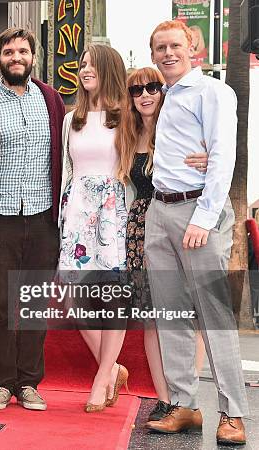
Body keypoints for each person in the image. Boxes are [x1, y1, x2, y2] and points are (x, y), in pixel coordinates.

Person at [143, 20, 248, 445]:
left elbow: (223, 155)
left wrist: (203, 219)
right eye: (160, 47)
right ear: (152, 55)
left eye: (175, 46)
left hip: (197, 211)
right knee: (172, 314)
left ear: (193, 48)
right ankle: (185, 405)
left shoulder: (213, 91)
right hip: (160, 209)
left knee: (215, 317)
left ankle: (234, 414)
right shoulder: (166, 95)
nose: (168, 53)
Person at [117, 67, 208, 421]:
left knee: (188, 314)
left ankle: (188, 397)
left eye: (152, 86)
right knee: (153, 318)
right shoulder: (127, 135)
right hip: (140, 229)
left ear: (163, 90)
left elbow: (212, 161)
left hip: (180, 225)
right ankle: (165, 395)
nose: (145, 94)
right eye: (137, 89)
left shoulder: (181, 130)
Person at [0, 28, 65, 412]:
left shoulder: (51, 99)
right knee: (2, 301)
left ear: (33, 56)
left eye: (22, 51)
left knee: (33, 301)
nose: (15, 57)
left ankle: (29, 383)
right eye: (8, 51)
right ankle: (2, 383)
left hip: (42, 214)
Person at [58, 43, 129, 413]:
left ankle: (102, 377)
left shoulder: (126, 116)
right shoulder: (73, 119)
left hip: (113, 211)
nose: (84, 69)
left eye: (92, 65)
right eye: (82, 64)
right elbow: (66, 172)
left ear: (109, 69)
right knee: (73, 296)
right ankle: (113, 366)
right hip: (76, 212)